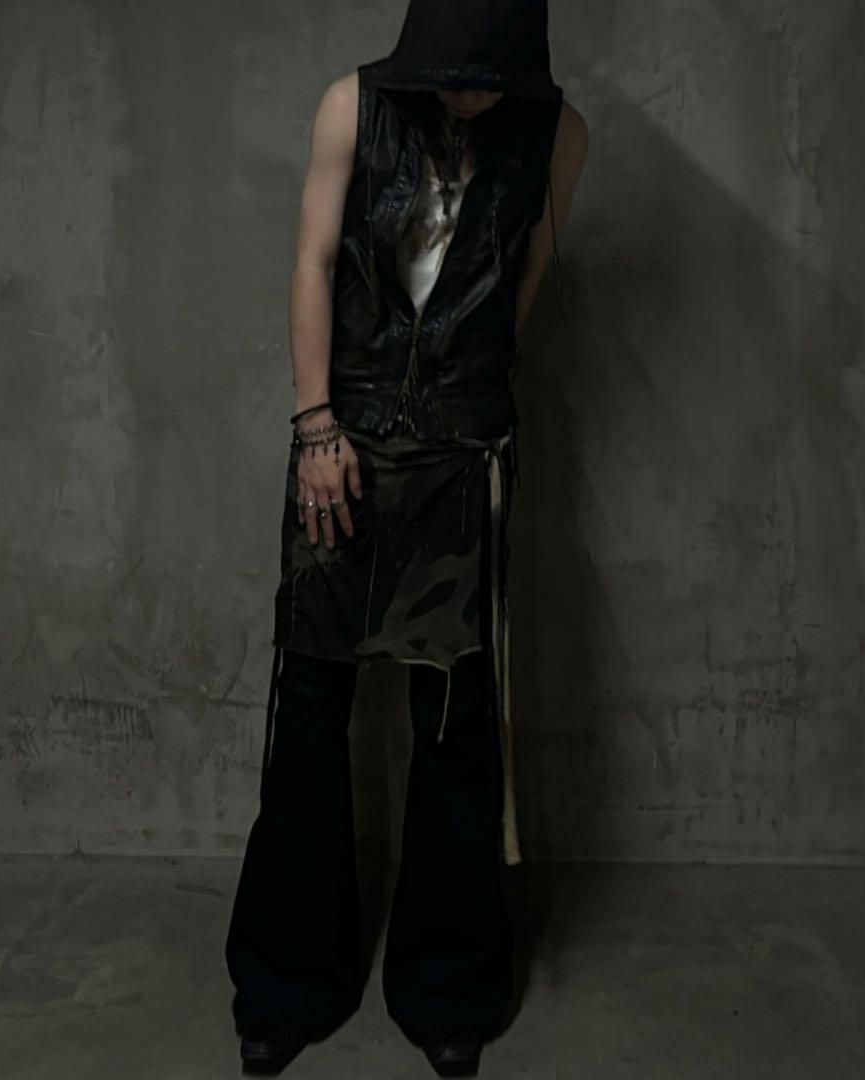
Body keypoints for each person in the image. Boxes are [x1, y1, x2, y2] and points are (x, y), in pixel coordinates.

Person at [224, 0, 589, 1073]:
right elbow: (311, 262)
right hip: (341, 444)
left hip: (463, 453)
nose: (465, 95)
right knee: (309, 704)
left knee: (455, 718)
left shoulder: (559, 131)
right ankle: (288, 982)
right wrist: (315, 425)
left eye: (486, 79)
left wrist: (466, 403)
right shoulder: (354, 104)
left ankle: (447, 988)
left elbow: (525, 278)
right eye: (449, 74)